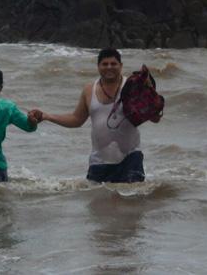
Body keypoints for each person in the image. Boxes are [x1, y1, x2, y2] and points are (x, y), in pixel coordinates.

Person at [31, 48, 145, 183]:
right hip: (99, 161)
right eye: (105, 64)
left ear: (121, 66)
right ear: (98, 67)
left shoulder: (132, 86)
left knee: (131, 200)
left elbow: (154, 117)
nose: (109, 67)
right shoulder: (89, 90)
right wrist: (46, 116)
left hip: (130, 158)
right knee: (97, 200)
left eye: (113, 64)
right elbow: (76, 120)